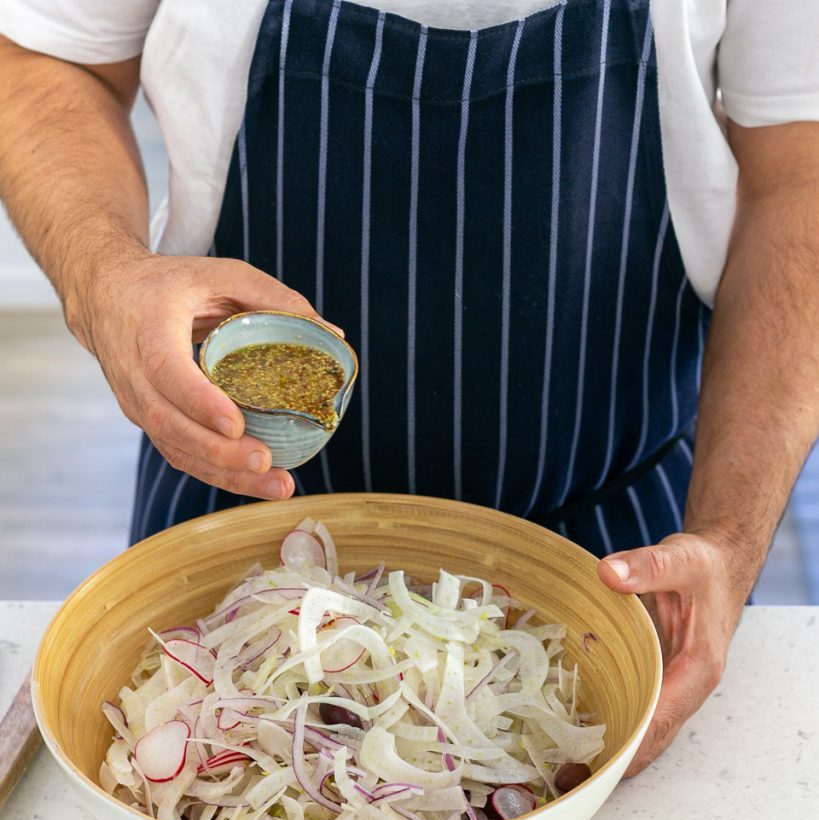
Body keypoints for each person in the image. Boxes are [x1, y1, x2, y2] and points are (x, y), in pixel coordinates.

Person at [0, 1, 817, 777]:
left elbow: (799, 175)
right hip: (233, 551)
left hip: (612, 556)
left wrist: (727, 539)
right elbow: (42, 54)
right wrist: (107, 276)